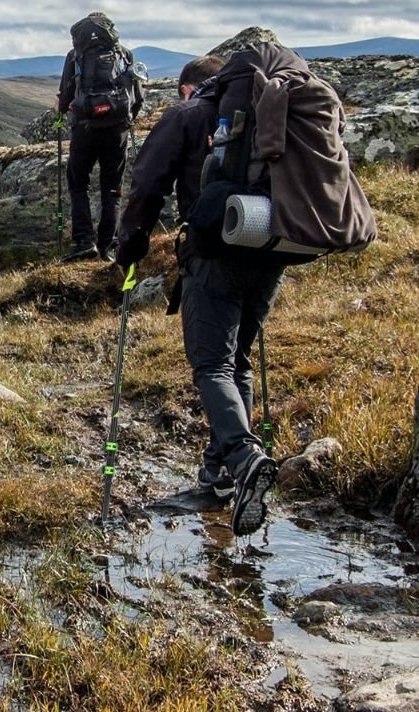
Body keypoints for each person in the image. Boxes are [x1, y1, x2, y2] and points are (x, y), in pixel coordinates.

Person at [115, 54, 282, 537]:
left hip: (214, 251)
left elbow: (147, 185)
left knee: (213, 364)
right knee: (237, 361)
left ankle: (244, 457)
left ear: (190, 88)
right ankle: (221, 476)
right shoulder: (271, 110)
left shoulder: (187, 115)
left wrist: (130, 249)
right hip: (271, 245)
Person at [54, 11, 143, 262]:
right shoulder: (124, 54)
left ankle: (84, 242)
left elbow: (65, 95)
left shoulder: (75, 55)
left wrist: (61, 109)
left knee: (78, 182)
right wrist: (128, 120)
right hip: (117, 129)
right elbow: (137, 97)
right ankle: (109, 246)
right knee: (112, 188)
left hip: (85, 129)